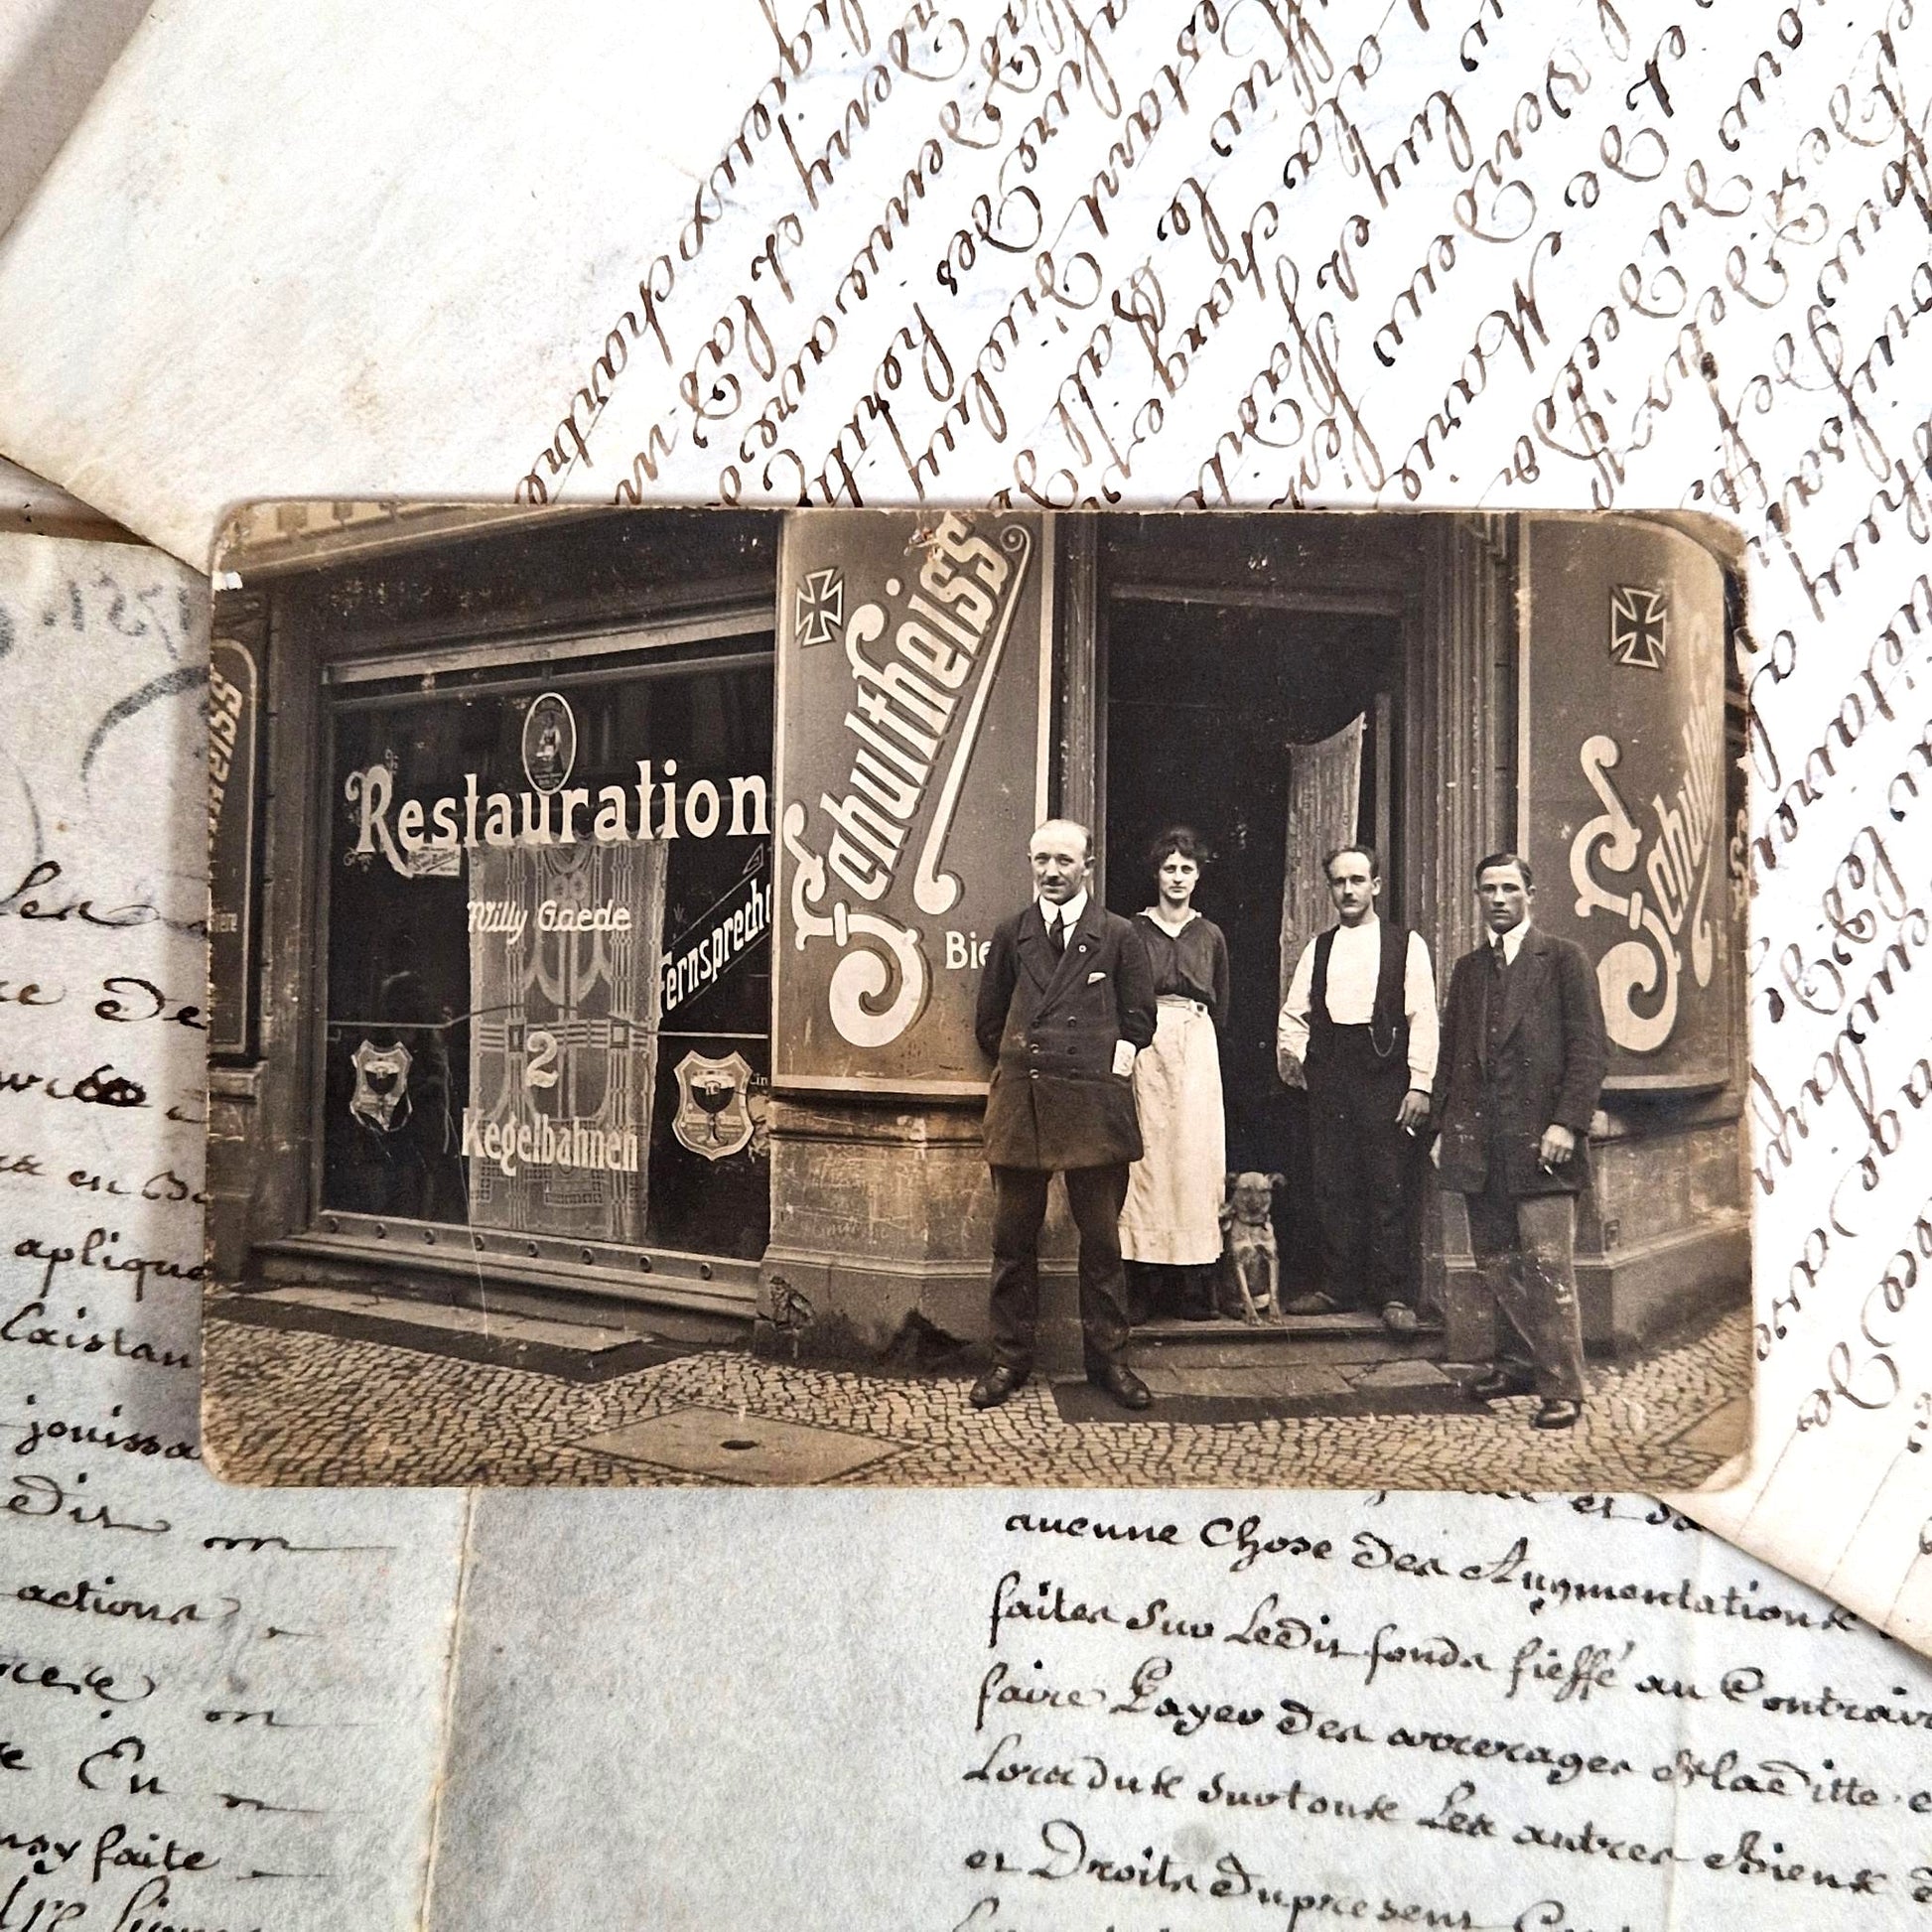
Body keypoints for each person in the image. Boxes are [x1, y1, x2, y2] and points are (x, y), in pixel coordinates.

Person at [971, 818, 1158, 1411]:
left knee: (1101, 1243)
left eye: (1064, 861)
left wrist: (1105, 1072)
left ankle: (1110, 1364)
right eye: (1042, 860)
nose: (1052, 872)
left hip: (1093, 1110)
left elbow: (1140, 1021)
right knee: (1011, 1242)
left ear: (1088, 867)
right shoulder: (1012, 934)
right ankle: (1008, 1360)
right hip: (1022, 1107)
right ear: (1031, 863)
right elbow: (988, 1023)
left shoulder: (1119, 935)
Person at [1430, 852, 1607, 1431]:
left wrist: (1567, 1123)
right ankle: (1518, 1363)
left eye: (1510, 888)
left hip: (1544, 1144)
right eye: (1488, 889)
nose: (1498, 898)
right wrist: (1442, 1126)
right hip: (1482, 1145)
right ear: (1477, 896)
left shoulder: (1562, 960)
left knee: (1548, 1266)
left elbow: (1589, 1050)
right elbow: (1453, 1056)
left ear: (1532, 893)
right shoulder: (1468, 971)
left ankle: (1564, 1386)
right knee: (1496, 1261)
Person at [1276, 844, 1438, 1330]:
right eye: (1338, 882)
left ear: (1376, 885)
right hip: (1333, 1078)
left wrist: (1421, 1085)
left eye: (1357, 880)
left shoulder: (1406, 945)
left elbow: (1423, 1017)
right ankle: (1337, 1287)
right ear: (1330, 887)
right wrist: (1308, 1062)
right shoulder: (1318, 948)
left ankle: (1393, 1295)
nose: (1347, 890)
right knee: (1333, 1183)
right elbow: (1292, 1016)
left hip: (1386, 1075)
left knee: (1387, 1182)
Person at [1119, 827, 1230, 1323]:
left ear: (1199, 875)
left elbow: (1221, 1004)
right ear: (1156, 874)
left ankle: (1191, 1286)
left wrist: (1194, 1032)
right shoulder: (1132, 931)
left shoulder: (1210, 935)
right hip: (1147, 1042)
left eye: (1187, 868)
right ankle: (1143, 1284)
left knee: (1193, 1157)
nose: (1178, 877)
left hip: (1196, 1043)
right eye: (1170, 868)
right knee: (1148, 1160)